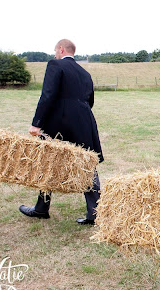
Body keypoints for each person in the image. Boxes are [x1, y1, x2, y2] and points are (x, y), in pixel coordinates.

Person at [19, 39, 104, 226]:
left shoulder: (55, 64)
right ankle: (95, 213)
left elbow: (48, 95)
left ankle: (41, 208)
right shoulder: (85, 72)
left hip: (60, 121)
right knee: (87, 163)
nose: (55, 54)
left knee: (48, 162)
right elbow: (89, 101)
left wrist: (36, 124)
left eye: (55, 51)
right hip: (84, 121)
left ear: (61, 49)